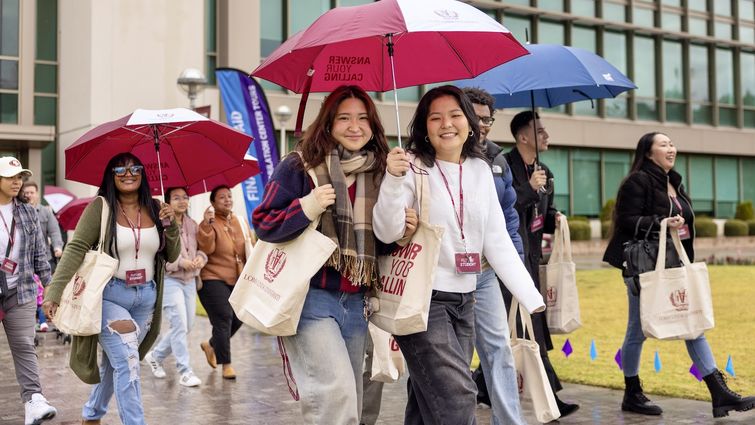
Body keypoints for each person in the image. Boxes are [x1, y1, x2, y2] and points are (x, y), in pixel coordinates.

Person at [373, 85, 545, 425]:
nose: (446, 124)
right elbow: (386, 230)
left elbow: (495, 238)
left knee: (426, 399)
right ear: (424, 127)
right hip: (424, 301)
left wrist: (529, 296)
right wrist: (393, 179)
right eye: (435, 117)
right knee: (458, 395)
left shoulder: (481, 169)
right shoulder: (411, 167)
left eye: (454, 115)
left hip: (467, 299)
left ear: (469, 123)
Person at [253, 85, 396, 425]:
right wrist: (307, 206)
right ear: (328, 124)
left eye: (363, 118)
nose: (355, 126)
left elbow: (381, 246)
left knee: (352, 402)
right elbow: (264, 223)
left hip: (358, 303)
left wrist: (401, 226)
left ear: (374, 125)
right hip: (311, 301)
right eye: (344, 118)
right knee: (336, 398)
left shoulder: (379, 171)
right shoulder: (300, 166)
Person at [603, 132, 755, 418]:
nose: (671, 148)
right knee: (637, 329)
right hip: (644, 268)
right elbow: (626, 220)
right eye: (663, 144)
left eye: (671, 144)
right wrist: (661, 222)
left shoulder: (673, 182)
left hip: (673, 264)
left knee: (691, 323)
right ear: (648, 153)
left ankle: (718, 391)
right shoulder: (639, 181)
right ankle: (632, 392)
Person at [42, 152, 180, 425]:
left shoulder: (155, 208)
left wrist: (171, 223)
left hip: (146, 298)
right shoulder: (101, 207)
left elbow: (172, 256)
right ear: (111, 176)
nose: (128, 174)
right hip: (110, 296)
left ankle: (91, 415)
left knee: (117, 361)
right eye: (120, 170)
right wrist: (54, 292)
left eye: (135, 168)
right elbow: (76, 248)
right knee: (128, 362)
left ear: (143, 174)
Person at [503, 111, 579, 417]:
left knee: (520, 327)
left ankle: (482, 384)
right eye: (539, 130)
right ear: (523, 137)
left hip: (533, 260)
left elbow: (541, 218)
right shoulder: (505, 166)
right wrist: (529, 188)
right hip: (508, 260)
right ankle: (551, 396)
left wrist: (555, 217)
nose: (546, 135)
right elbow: (503, 207)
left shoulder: (544, 170)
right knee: (529, 326)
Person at [462, 87, 527, 425]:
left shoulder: (498, 160)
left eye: (488, 119)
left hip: (486, 272)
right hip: (445, 274)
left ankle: (509, 421)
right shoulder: (435, 157)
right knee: (450, 358)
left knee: (498, 348)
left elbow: (508, 217)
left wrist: (513, 267)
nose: (482, 125)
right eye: (475, 117)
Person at [0, 157, 57, 425]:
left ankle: (34, 400)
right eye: (10, 176)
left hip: (20, 290)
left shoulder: (28, 212)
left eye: (19, 176)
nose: (17, 181)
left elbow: (39, 255)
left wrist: (50, 287)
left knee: (24, 345)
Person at [145, 187, 206, 387]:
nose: (182, 201)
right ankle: (185, 371)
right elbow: (160, 255)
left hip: (189, 281)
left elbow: (203, 251)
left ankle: (156, 354)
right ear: (168, 201)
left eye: (185, 197)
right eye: (176, 198)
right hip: (171, 280)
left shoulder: (192, 224)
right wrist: (180, 262)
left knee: (187, 325)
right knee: (179, 323)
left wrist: (199, 259)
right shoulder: (162, 225)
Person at [196, 184, 249, 380]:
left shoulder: (240, 221)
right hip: (211, 278)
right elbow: (206, 248)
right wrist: (207, 225)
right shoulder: (208, 223)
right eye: (221, 197)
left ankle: (211, 345)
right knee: (224, 317)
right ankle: (226, 364)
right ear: (212, 203)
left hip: (236, 278)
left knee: (240, 316)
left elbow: (247, 248)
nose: (227, 199)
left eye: (229, 196)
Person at [21, 181, 64, 273]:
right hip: (24, 260)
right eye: (26, 193)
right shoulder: (18, 211)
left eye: (32, 193)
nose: (29, 195)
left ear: (37, 194)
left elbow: (54, 232)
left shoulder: (46, 212)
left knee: (46, 286)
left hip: (44, 258)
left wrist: (57, 247)